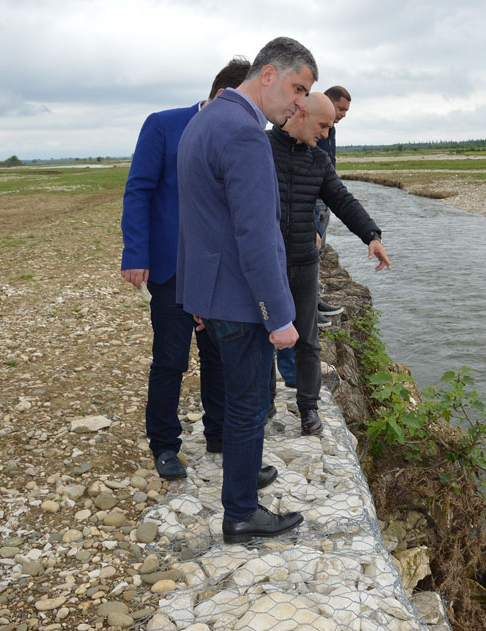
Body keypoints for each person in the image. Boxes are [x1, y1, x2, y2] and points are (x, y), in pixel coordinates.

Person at [176, 36, 317, 544]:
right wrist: (279, 316)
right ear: (268, 75)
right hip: (240, 299)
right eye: (298, 89)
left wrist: (195, 296)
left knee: (235, 400)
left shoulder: (205, 120)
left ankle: (244, 472)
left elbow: (196, 219)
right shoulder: (245, 133)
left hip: (211, 293)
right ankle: (240, 512)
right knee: (248, 405)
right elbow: (256, 234)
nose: (299, 104)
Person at [121, 58, 273, 490]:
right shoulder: (164, 124)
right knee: (170, 359)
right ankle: (164, 445)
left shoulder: (241, 133)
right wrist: (135, 252)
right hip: (171, 267)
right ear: (225, 94)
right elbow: (139, 189)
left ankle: (222, 439)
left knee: (219, 357)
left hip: (218, 270)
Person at [268, 93, 390, 435]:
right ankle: (263, 406)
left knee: (308, 340)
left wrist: (371, 236)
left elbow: (342, 200)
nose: (326, 134)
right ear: (301, 114)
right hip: (265, 263)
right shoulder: (260, 149)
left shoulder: (318, 161)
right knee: (262, 337)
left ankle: (309, 408)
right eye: (323, 125)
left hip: (304, 262)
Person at [314, 86, 352, 324]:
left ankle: (315, 300)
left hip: (325, 198)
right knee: (310, 253)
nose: (343, 115)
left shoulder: (331, 130)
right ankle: (308, 308)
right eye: (341, 109)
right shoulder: (311, 127)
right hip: (312, 199)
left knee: (317, 254)